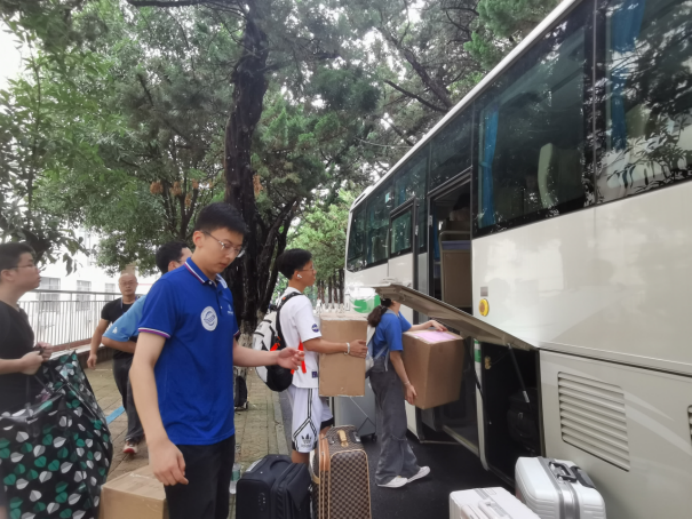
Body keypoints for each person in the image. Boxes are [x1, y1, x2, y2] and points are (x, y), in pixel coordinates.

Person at [130, 203, 304, 520]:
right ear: (199, 238)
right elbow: (141, 364)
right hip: (185, 435)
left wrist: (274, 356)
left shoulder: (221, 290)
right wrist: (157, 442)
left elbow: (230, 350)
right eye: (225, 245)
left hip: (222, 430)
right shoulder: (169, 288)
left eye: (237, 249)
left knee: (218, 512)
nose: (230, 255)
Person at [275, 249, 368, 466]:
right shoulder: (300, 303)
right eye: (311, 268)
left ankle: (323, 477)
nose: (315, 272)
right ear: (297, 274)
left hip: (301, 377)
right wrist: (348, 347)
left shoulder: (285, 298)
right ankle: (298, 485)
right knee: (303, 442)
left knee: (325, 425)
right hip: (305, 381)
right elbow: (312, 343)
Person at [367, 298, 446, 489]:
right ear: (395, 298)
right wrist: (408, 384)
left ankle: (410, 469)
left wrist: (429, 323)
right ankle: (384, 475)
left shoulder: (391, 314)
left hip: (381, 373)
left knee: (397, 422)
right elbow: (395, 357)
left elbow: (409, 329)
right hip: (386, 373)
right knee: (393, 423)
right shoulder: (391, 319)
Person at [0, 243, 54, 519]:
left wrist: (34, 353)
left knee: (13, 489)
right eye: (30, 264)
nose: (37, 269)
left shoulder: (15, 310)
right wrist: (21, 364)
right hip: (5, 416)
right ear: (8, 273)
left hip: (17, 416)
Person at [86, 271, 144, 455]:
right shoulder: (110, 307)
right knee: (126, 395)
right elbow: (100, 330)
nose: (127, 285)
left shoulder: (144, 304)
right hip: (119, 357)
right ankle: (139, 427)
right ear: (119, 285)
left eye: (131, 282)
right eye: (123, 282)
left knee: (133, 393)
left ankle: (132, 437)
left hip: (139, 354)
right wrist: (93, 353)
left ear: (136, 284)